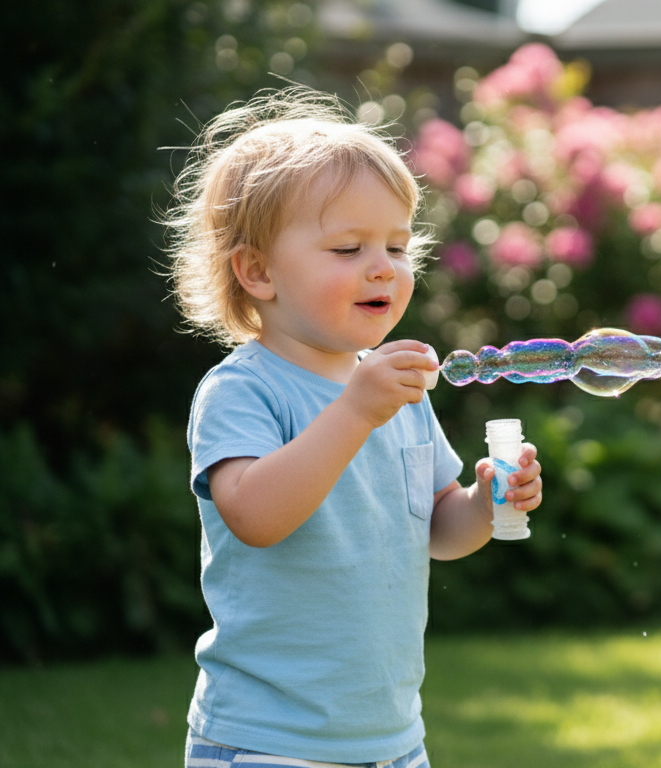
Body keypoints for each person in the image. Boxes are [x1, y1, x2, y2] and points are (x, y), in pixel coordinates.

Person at [163, 86, 542, 768]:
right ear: (257, 271)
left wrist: (486, 503)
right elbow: (255, 515)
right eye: (347, 247)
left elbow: (436, 529)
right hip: (266, 740)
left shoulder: (395, 389)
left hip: (390, 739)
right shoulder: (243, 391)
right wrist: (356, 411)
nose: (382, 267)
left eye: (398, 246)